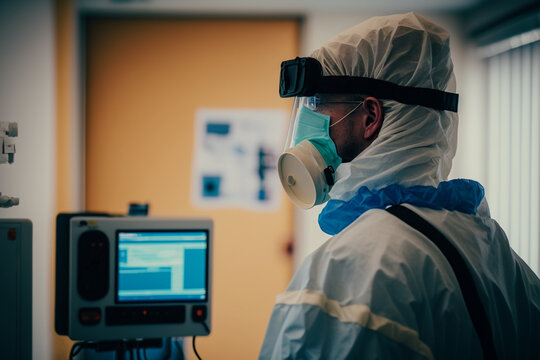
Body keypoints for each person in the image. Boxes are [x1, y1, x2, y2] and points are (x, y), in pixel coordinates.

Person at [259, 12, 540, 360]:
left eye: (317, 104)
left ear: (370, 118)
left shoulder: (353, 267)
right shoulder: (501, 258)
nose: (306, 122)